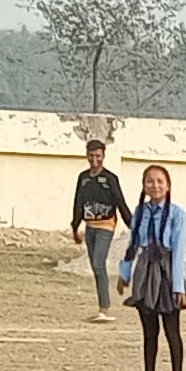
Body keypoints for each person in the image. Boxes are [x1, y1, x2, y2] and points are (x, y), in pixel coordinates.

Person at [118, 163, 186, 371]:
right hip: (145, 272)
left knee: (171, 329)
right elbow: (133, 245)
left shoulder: (177, 214)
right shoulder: (140, 212)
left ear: (168, 186)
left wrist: (178, 287)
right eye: (150, 181)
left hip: (167, 273)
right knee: (149, 330)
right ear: (144, 186)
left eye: (160, 181)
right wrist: (125, 273)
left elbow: (178, 251)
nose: (155, 185)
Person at [70, 138, 127, 325]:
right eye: (91, 155)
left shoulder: (110, 179)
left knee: (98, 262)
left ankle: (104, 308)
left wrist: (133, 224)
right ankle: (101, 305)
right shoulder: (83, 178)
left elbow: (120, 202)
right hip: (90, 227)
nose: (94, 159)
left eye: (98, 156)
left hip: (106, 226)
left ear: (103, 156)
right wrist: (75, 226)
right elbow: (78, 202)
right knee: (95, 267)